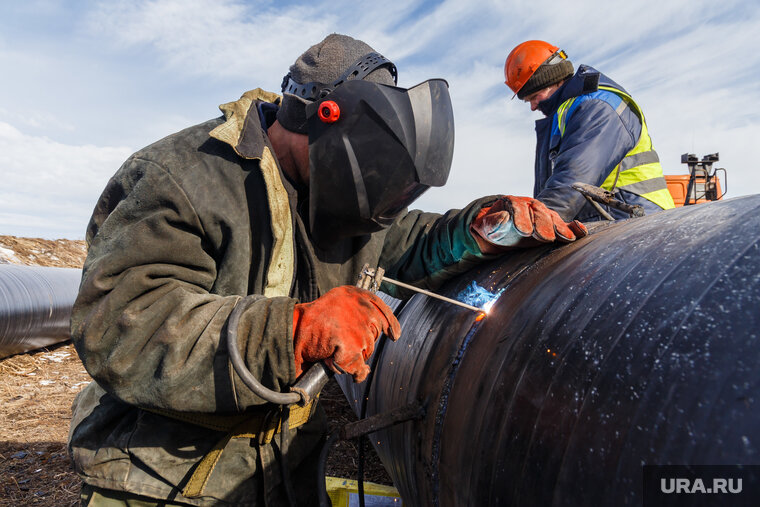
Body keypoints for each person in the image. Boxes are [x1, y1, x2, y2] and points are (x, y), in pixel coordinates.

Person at [69, 33, 586, 506]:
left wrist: (482, 227)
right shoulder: (183, 176)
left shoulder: (333, 195)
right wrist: (292, 332)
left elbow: (407, 243)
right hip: (162, 479)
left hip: (284, 470)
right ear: (319, 118)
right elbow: (122, 324)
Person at [504, 40, 675, 222]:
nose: (532, 107)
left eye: (534, 97)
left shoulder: (597, 105)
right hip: (611, 218)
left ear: (553, 80)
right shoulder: (568, 112)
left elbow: (572, 181)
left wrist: (530, 226)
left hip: (636, 219)